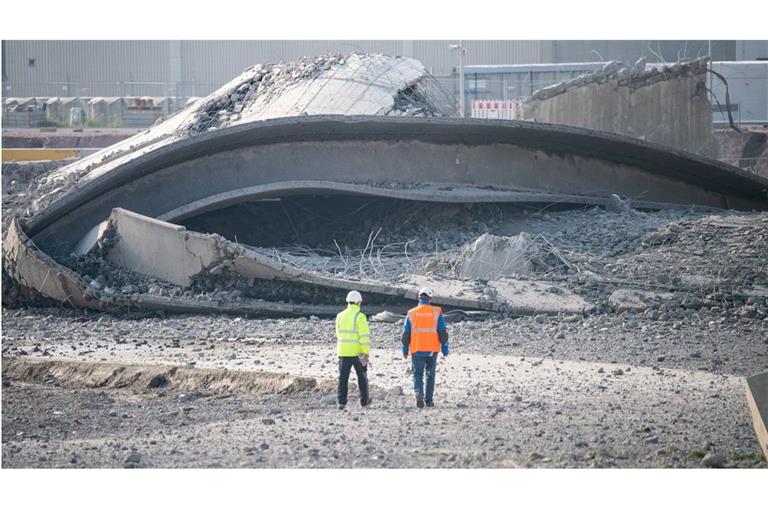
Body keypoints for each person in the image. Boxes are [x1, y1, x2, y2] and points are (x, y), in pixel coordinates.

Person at [402, 287, 448, 408]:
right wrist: (445, 349)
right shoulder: (437, 312)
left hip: (417, 349)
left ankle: (418, 393)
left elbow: (406, 334)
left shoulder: (411, 313)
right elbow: (442, 332)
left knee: (417, 374)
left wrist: (405, 350)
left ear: (419, 298)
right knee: (430, 375)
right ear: (430, 298)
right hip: (432, 349)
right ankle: (429, 400)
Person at [335, 290, 371, 410]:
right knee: (362, 377)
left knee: (343, 378)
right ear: (358, 302)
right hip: (358, 352)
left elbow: (338, 333)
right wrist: (366, 352)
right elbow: (364, 336)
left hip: (343, 351)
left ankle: (341, 402)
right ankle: (364, 401)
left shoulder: (340, 316)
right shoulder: (360, 317)